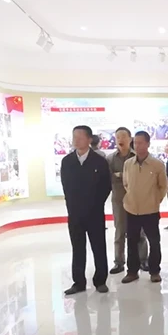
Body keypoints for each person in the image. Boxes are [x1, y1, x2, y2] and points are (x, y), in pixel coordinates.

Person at [60, 125, 112, 295]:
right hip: (75, 214)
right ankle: (78, 282)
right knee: (77, 248)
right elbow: (66, 187)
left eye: (80, 137)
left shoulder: (99, 161)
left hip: (95, 213)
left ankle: (100, 281)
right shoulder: (67, 161)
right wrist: (72, 206)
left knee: (99, 247)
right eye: (74, 137)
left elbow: (106, 186)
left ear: (89, 139)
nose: (76, 140)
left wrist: (96, 204)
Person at [121, 131, 168, 284]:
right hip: (131, 209)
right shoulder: (128, 164)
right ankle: (132, 271)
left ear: (148, 144)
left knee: (154, 241)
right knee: (132, 241)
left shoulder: (157, 164)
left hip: (150, 210)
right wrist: (131, 198)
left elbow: (163, 186)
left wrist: (155, 200)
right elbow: (126, 183)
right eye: (135, 143)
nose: (137, 146)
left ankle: (154, 271)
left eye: (141, 143)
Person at [108, 127, 149, 275]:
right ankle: (119, 262)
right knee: (120, 231)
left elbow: (141, 176)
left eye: (124, 136)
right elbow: (109, 178)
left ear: (130, 139)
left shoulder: (137, 156)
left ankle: (143, 260)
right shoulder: (110, 159)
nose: (121, 139)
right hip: (119, 200)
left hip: (137, 199)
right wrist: (124, 176)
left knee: (140, 231)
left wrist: (120, 175)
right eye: (118, 136)